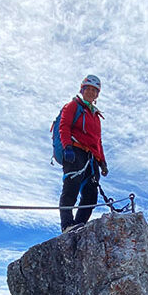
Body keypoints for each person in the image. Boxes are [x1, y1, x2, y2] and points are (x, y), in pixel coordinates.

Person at [58, 74, 108, 232]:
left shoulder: (96, 115)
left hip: (91, 157)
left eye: (95, 90)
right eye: (89, 89)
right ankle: (67, 225)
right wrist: (67, 147)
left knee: (91, 195)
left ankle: (79, 226)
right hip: (75, 150)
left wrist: (102, 161)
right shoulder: (73, 106)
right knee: (70, 188)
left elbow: (97, 140)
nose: (91, 93)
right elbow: (64, 127)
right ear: (83, 89)